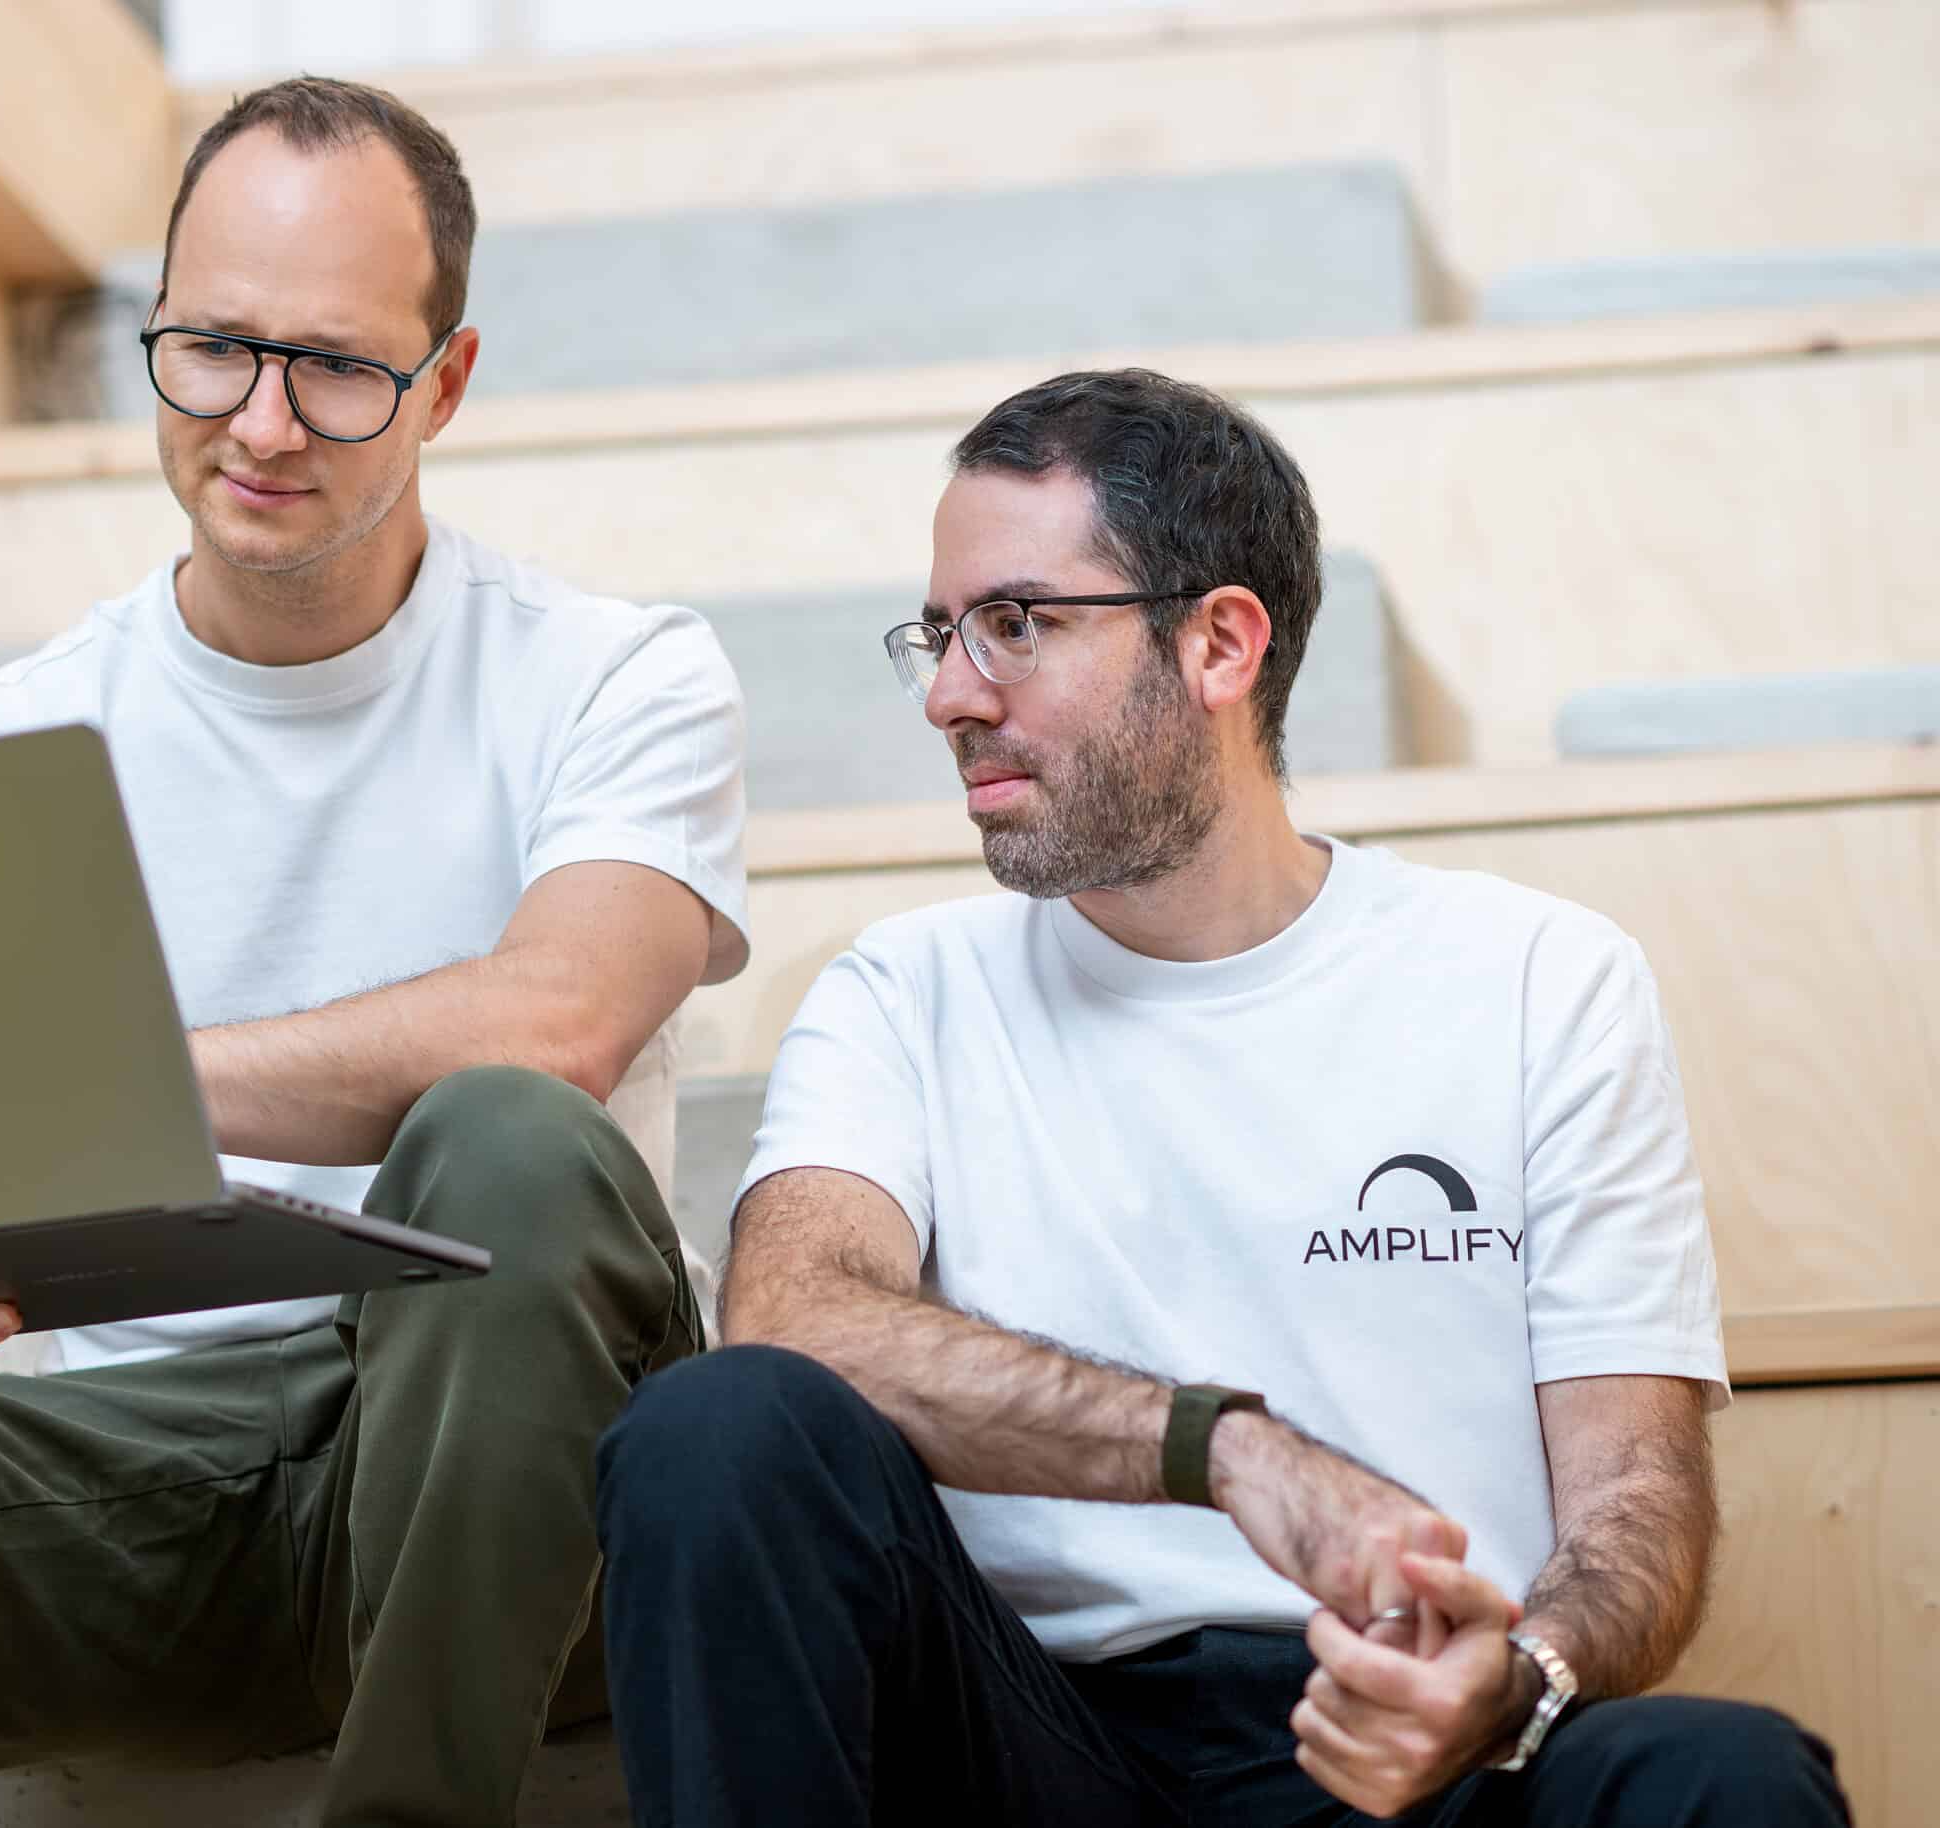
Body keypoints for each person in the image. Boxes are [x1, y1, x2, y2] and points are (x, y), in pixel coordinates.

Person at [0, 76, 748, 1828]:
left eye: (337, 367)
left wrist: (99, 1074)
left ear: (445, 384)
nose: (262, 424)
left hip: (536, 1482)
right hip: (166, 1494)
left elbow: (564, 1022)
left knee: (508, 1132)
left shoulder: (618, 675)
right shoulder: (2, 748)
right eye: (213, 348)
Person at [594, 368, 1849, 1826]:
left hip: (1408, 1754)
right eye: (940, 635)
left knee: (1730, 1776)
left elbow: (1636, 1500)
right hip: (1034, 1749)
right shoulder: (902, 992)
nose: (949, 695)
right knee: (715, 1429)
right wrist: (1227, 1451)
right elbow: (795, 1318)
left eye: (1016, 623)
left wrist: (1522, 1680)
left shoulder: (1538, 977)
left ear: (1220, 644)